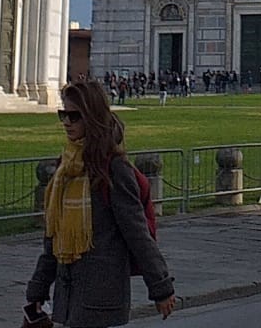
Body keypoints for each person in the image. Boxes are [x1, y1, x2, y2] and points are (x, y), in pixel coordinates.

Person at [25, 81, 175, 325]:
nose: (66, 122)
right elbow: (54, 237)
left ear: (92, 117)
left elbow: (137, 233)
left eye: (74, 116)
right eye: (63, 114)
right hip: (69, 290)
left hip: (101, 291)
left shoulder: (114, 169)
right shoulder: (66, 168)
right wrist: (37, 290)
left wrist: (161, 287)